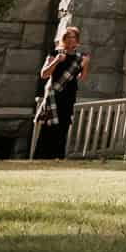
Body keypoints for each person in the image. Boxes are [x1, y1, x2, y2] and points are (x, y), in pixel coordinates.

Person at [31, 25, 89, 159]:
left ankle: (58, 158)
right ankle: (41, 158)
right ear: (63, 39)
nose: (70, 40)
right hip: (54, 96)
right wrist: (57, 61)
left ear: (77, 41)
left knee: (62, 128)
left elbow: (82, 78)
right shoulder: (55, 54)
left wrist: (85, 66)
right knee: (49, 128)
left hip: (69, 97)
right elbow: (44, 75)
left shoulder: (81, 57)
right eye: (67, 37)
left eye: (73, 37)